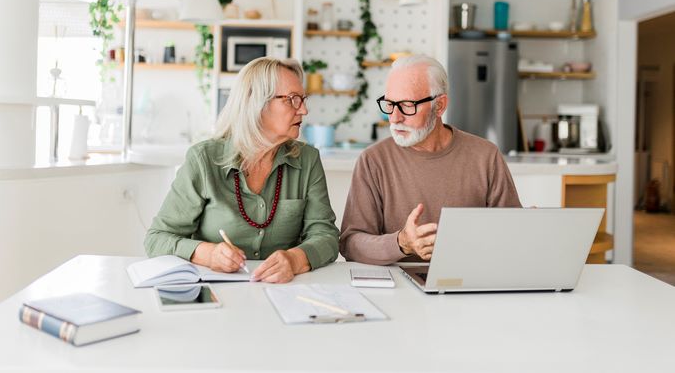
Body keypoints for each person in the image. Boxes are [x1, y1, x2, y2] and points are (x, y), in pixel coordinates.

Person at [144, 57, 339, 283]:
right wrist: (207, 254)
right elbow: (156, 239)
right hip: (216, 295)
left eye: (303, 99)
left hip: (284, 291)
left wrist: (295, 259)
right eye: (292, 100)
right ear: (256, 103)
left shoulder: (308, 160)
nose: (304, 110)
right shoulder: (204, 160)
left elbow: (326, 236)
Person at [339, 54, 521, 265]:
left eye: (407, 105)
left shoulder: (485, 156)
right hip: (398, 287)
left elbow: (511, 237)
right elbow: (350, 244)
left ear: (440, 105)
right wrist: (401, 243)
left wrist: (523, 226)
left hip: (469, 282)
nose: (395, 118)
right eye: (389, 104)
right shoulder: (373, 160)